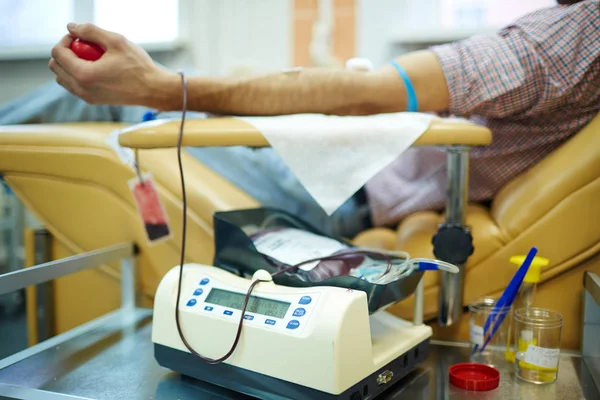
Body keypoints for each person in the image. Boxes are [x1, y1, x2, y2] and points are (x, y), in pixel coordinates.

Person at [1, 0, 598, 239]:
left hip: (335, 193)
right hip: (337, 168)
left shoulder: (574, 38)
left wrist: (164, 87)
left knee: (112, 103)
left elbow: (366, 94)